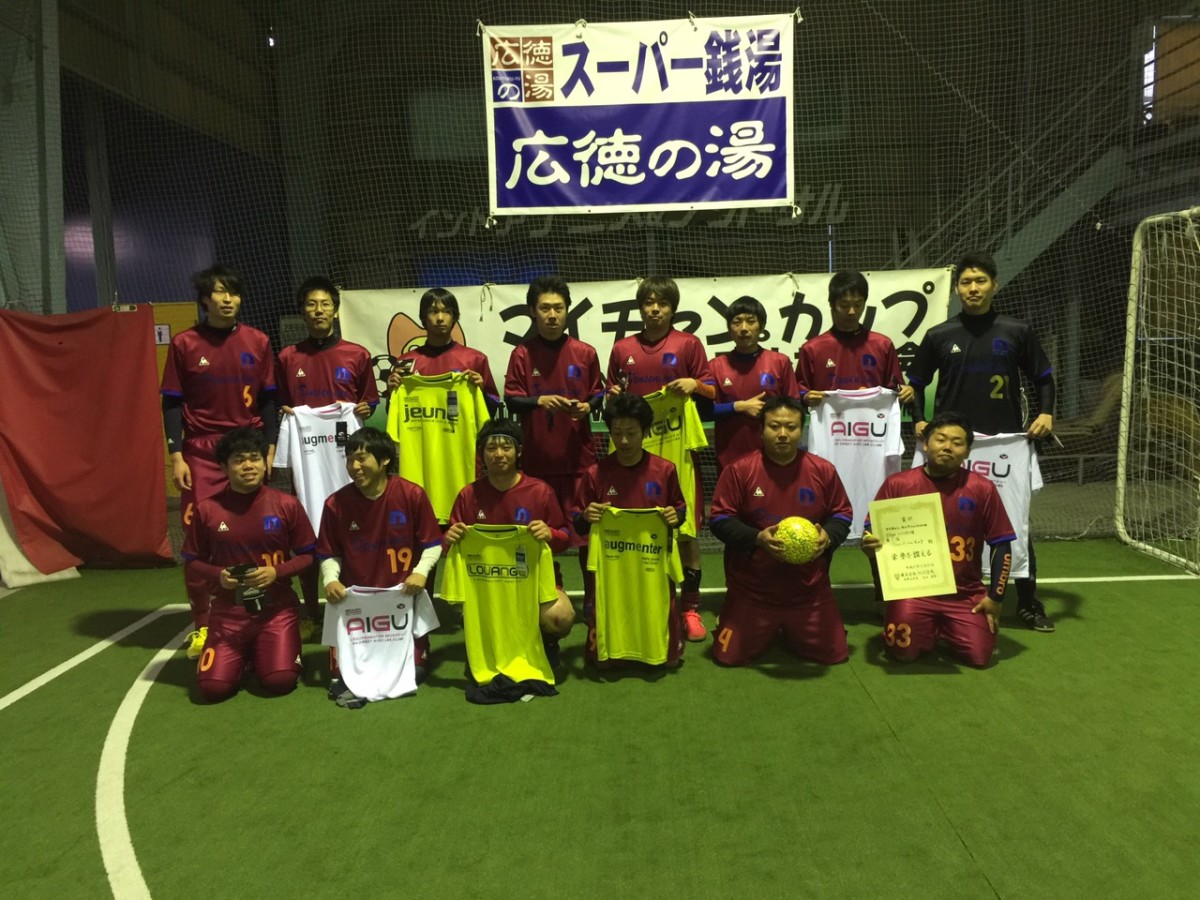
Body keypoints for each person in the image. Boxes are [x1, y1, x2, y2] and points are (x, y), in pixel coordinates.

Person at [906, 252, 1055, 632]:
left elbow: (1043, 377)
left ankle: (1028, 602)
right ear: (957, 290)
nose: (973, 288)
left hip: (1003, 445)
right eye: (966, 282)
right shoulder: (939, 335)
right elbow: (915, 384)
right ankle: (932, 600)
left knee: (1013, 523)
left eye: (980, 281)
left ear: (994, 285)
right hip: (951, 447)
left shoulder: (1016, 331)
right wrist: (919, 419)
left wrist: (1046, 413)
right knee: (939, 521)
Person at [162, 265, 278, 660]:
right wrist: (176, 454)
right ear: (204, 299)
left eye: (233, 292)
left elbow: (269, 398)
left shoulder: (258, 341)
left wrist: (270, 446)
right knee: (201, 540)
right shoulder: (184, 344)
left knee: (254, 532)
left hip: (248, 445)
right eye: (219, 292)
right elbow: (172, 402)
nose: (227, 299)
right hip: (202, 452)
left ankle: (257, 618)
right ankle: (203, 625)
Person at [606, 276, 715, 641]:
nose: (655, 309)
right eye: (649, 302)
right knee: (632, 529)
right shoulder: (622, 348)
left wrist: (695, 385)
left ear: (672, 308)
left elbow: (712, 389)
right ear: (640, 307)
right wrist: (612, 392)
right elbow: (610, 393)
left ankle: (690, 608)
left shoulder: (689, 344)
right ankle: (639, 600)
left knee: (684, 532)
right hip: (633, 453)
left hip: (675, 447)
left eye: (662, 303)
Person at [708, 396, 854, 666]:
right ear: (761, 430)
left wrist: (828, 537)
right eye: (775, 426)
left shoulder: (823, 470)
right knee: (727, 657)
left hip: (808, 590)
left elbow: (842, 514)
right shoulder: (739, 470)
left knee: (835, 654)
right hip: (753, 590)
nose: (783, 434)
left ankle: (794, 626)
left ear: (802, 429)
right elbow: (719, 519)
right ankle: (733, 612)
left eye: (791, 427)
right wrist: (756, 538)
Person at [862, 412, 1015, 667]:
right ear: (926, 444)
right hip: (914, 591)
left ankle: (943, 627)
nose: (947, 447)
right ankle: (921, 622)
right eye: (940, 439)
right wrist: (869, 544)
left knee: (979, 657)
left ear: (967, 451)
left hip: (964, 593)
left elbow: (1002, 543)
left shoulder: (982, 488)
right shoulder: (898, 484)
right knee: (903, 652)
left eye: (957, 442)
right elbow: (872, 532)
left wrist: (996, 597)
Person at [274, 276, 380, 639]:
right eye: (311, 304)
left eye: (325, 304)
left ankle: (357, 604)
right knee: (306, 536)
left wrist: (366, 407)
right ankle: (310, 612)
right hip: (307, 461)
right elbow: (280, 403)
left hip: (347, 463)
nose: (318, 310)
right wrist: (286, 414)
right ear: (302, 311)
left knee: (353, 533)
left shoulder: (357, 355)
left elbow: (370, 401)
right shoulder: (288, 357)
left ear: (335, 310)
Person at [180, 427, 315, 703]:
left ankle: (265, 654)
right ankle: (245, 658)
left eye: (254, 458)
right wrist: (219, 575)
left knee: (280, 680)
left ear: (265, 462)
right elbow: (192, 560)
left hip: (277, 609)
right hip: (229, 613)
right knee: (213, 687)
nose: (248, 466)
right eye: (239, 460)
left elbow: (308, 555)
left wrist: (277, 571)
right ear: (223, 467)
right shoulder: (207, 509)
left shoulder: (287, 504)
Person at [316, 427, 443, 708]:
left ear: (384, 459)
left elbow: (433, 543)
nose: (354, 466)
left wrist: (420, 572)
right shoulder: (336, 503)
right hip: (356, 607)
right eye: (350, 459)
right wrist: (330, 580)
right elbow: (329, 552)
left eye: (361, 458)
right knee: (340, 679)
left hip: (402, 603)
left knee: (414, 672)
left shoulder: (411, 495)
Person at [445, 419, 576, 678]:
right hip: (486, 587)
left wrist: (550, 533)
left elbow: (565, 539)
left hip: (531, 582)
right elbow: (447, 544)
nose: (498, 454)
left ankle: (547, 643)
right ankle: (483, 646)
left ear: (518, 451)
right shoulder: (468, 495)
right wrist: (449, 537)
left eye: (506, 447)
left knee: (560, 616)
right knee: (466, 611)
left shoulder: (540, 491)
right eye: (490, 448)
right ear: (481, 454)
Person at [504, 275, 604, 599]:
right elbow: (511, 399)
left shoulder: (585, 353)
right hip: (537, 464)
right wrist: (540, 401)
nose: (552, 315)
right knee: (539, 535)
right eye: (545, 308)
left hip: (579, 463)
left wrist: (588, 407)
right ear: (532, 311)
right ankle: (548, 593)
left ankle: (593, 602)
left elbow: (598, 394)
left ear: (567, 311)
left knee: (587, 536)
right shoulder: (522, 354)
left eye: (558, 308)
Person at [571, 393, 687, 667]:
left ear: (645, 432)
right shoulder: (595, 473)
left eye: (631, 433)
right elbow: (578, 521)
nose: (623, 441)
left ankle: (661, 646)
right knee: (602, 663)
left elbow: (680, 510)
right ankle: (609, 647)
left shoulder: (665, 470)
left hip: (651, 562)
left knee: (668, 662)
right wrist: (586, 516)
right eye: (617, 433)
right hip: (612, 564)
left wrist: (675, 516)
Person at [707, 295, 801, 471]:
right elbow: (704, 412)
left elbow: (795, 406)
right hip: (729, 458)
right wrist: (738, 407)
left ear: (762, 326)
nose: (744, 328)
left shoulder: (779, 362)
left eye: (751, 321)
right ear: (729, 328)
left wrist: (768, 411)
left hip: (774, 457)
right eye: (737, 322)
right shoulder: (715, 366)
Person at [795, 270, 913, 407]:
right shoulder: (812, 349)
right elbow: (798, 392)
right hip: (829, 420)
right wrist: (805, 397)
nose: (852, 311)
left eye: (858, 305)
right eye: (844, 305)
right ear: (832, 304)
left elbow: (896, 389)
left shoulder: (883, 345)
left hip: (874, 419)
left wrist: (906, 392)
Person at [385, 287, 501, 414]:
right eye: (433, 311)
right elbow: (393, 414)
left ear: (454, 317)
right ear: (423, 317)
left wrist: (481, 391)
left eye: (447, 312)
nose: (440, 318)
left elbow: (492, 410)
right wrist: (391, 393)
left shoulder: (475, 359)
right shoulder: (405, 362)